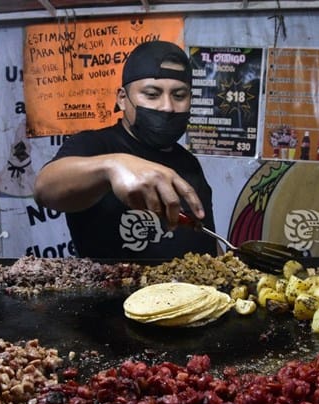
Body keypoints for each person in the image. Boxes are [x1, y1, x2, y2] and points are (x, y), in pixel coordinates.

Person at [33, 40, 218, 260]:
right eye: (151, 94)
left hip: (191, 293)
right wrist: (112, 166)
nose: (167, 106)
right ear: (122, 99)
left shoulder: (187, 161)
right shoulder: (95, 145)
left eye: (179, 96)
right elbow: (44, 189)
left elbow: (207, 242)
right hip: (115, 292)